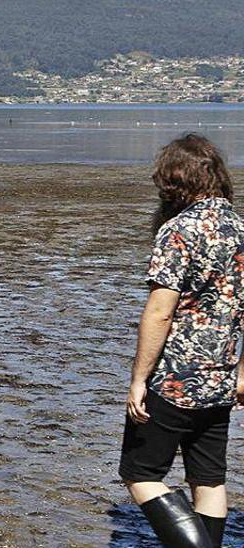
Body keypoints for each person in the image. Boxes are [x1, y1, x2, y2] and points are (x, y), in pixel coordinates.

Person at [120, 134, 244, 548]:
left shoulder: (179, 231)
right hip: (223, 377)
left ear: (173, 181)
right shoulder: (239, 228)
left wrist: (139, 379)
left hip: (174, 377)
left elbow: (160, 311)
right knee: (207, 479)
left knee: (140, 474)